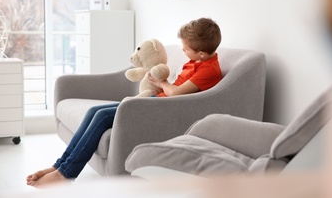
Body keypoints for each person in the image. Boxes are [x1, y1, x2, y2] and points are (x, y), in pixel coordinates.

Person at [26, 17, 222, 188]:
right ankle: (59, 166)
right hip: (157, 102)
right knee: (95, 111)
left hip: (163, 109)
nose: (183, 50)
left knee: (102, 116)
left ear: (202, 53)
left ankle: (65, 174)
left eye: (186, 49)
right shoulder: (198, 61)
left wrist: (161, 82)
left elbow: (176, 93)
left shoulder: (208, 70)